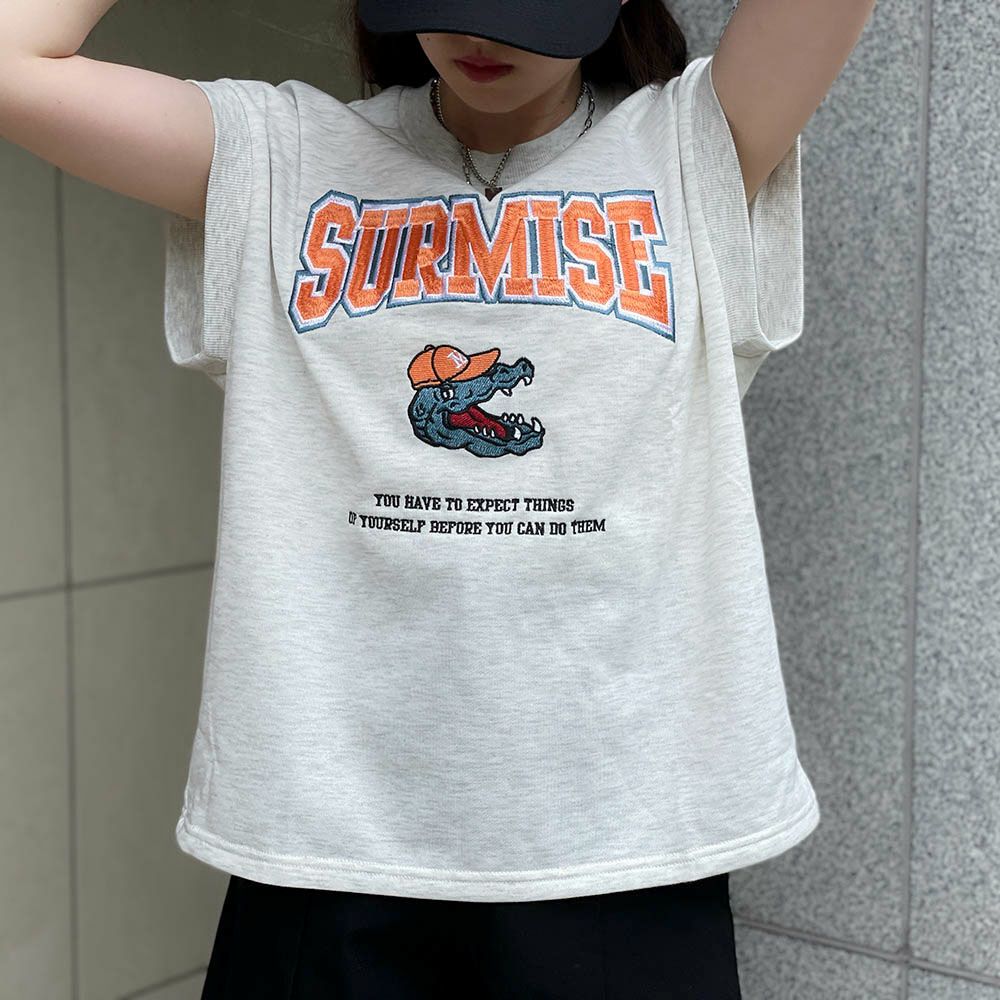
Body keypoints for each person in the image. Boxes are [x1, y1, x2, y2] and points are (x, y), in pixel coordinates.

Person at [0, 0, 877, 995]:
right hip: (327, 857)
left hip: (620, 849)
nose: (480, 34)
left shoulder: (691, 149)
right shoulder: (280, 157)